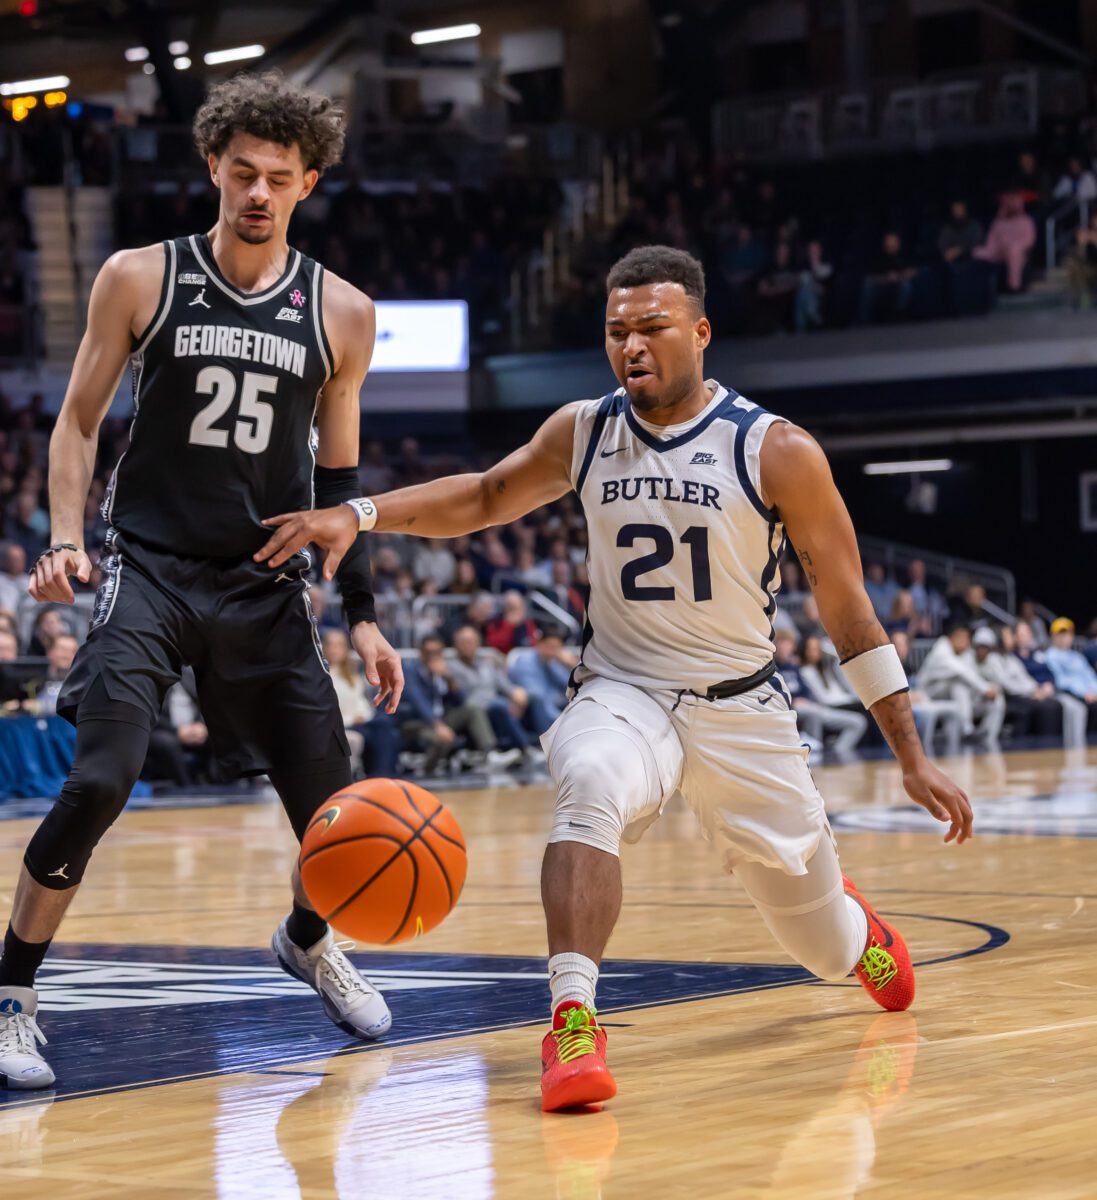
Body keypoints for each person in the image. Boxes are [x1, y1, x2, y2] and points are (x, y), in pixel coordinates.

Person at [258, 243, 971, 1113]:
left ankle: (857, 927)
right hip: (623, 690)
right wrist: (361, 511)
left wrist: (912, 755)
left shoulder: (774, 449)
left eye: (652, 328)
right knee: (586, 783)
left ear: (700, 332)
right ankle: (571, 1025)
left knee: (822, 948)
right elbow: (485, 496)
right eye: (615, 331)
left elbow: (850, 612)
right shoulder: (583, 429)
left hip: (738, 709)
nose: (631, 346)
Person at [0, 72, 407, 1092]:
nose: (258, 193)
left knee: (341, 816)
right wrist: (61, 533)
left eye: (279, 177)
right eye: (241, 174)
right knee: (97, 780)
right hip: (149, 567)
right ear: (211, 171)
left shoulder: (344, 312)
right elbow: (78, 421)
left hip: (264, 581)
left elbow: (343, 484)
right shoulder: (141, 277)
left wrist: (362, 615)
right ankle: (12, 993)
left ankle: (308, 940)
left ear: (309, 182)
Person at [401, 633, 522, 773]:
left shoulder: (443, 671)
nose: (433, 656)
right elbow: (418, 701)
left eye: (437, 652)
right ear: (421, 652)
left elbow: (460, 700)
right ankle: (426, 771)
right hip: (417, 723)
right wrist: (437, 725)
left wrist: (449, 678)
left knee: (472, 710)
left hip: (442, 719)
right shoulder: (412, 671)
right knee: (441, 738)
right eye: (429, 652)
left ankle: (490, 755)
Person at [322, 627, 401, 778]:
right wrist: (353, 719)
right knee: (381, 729)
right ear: (324, 648)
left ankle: (383, 777)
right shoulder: (322, 676)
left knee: (386, 729)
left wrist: (362, 716)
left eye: (339, 645)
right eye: (331, 645)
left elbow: (361, 703)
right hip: (339, 725)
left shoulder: (352, 675)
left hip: (359, 722)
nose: (334, 649)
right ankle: (380, 777)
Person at [449, 624, 534, 755]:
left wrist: (514, 692)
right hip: (473, 709)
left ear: (478, 644)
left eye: (471, 642)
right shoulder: (450, 668)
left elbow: (503, 684)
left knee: (528, 697)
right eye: (464, 642)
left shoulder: (486, 663)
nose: (468, 645)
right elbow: (460, 698)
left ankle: (529, 746)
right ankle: (526, 748)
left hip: (496, 706)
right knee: (500, 705)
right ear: (456, 645)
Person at [916, 623, 1005, 745]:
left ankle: (987, 737)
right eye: (965, 638)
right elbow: (963, 672)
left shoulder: (964, 653)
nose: (968, 642)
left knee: (997, 699)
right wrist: (985, 689)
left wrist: (989, 690)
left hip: (951, 693)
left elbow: (973, 675)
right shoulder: (941, 650)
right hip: (929, 692)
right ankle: (967, 729)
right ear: (955, 637)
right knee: (959, 684)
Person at [970, 626, 1061, 740]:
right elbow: (1005, 684)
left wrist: (1037, 689)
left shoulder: (1011, 658)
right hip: (1007, 696)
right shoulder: (993, 658)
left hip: (1023, 694)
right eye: (1008, 636)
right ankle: (1022, 744)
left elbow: (1024, 677)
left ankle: (1051, 745)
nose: (1011, 639)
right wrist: (1031, 692)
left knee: (1053, 705)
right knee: (1033, 709)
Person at [1012, 621, 1088, 747]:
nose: (1024, 637)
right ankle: (1066, 747)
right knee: (1062, 707)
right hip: (1036, 692)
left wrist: (1050, 684)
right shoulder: (1014, 657)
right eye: (1021, 634)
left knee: (1077, 708)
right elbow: (1021, 678)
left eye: (1027, 633)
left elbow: (1050, 673)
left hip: (1050, 690)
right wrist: (1037, 689)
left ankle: (1078, 746)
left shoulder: (1037, 654)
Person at [797, 635, 867, 756]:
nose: (816, 653)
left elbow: (837, 659)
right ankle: (838, 752)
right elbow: (823, 698)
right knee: (862, 717)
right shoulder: (805, 671)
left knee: (866, 711)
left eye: (818, 649)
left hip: (841, 702)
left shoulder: (826, 668)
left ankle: (841, 751)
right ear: (804, 651)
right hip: (828, 706)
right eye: (812, 649)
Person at [508, 624, 576, 736]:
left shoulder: (552, 662)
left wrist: (571, 665)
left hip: (551, 708)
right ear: (539, 644)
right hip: (528, 711)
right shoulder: (526, 662)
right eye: (550, 646)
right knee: (538, 699)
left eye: (556, 648)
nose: (553, 651)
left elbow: (570, 687)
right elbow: (537, 696)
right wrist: (562, 721)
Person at [973, 190, 1035, 293]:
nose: (1010, 206)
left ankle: (1014, 286)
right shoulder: (998, 222)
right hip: (999, 251)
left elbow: (1029, 240)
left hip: (1017, 251)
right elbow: (991, 243)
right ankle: (978, 289)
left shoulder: (1026, 221)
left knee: (1014, 251)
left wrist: (1015, 245)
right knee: (977, 252)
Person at [1044, 617, 1097, 730]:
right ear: (1053, 636)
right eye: (1061, 634)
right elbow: (1060, 680)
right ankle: (1076, 747)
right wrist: (1084, 693)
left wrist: (1094, 692)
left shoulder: (1077, 656)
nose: (1065, 637)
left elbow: (1090, 676)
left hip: (1089, 695)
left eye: (1068, 634)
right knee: (1080, 709)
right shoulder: (1050, 655)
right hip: (1067, 695)